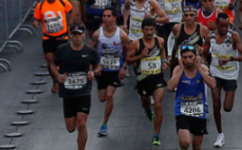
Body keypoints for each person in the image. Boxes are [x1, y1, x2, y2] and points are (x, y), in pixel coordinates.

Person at [202, 13, 242, 148]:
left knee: (227, 108)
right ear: (217, 25)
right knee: (216, 102)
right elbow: (204, 53)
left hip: (230, 75)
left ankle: (229, 96)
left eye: (226, 26)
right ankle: (220, 134)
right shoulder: (210, 37)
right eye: (222, 26)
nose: (224, 29)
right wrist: (203, 61)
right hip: (215, 73)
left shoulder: (233, 36)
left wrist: (231, 58)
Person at [55, 24, 101, 150]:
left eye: (79, 34)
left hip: (83, 92)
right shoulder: (62, 50)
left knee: (81, 123)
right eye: (74, 34)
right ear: (70, 35)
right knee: (71, 128)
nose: (77, 37)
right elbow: (53, 65)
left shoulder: (90, 51)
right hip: (68, 93)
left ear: (84, 35)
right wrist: (58, 76)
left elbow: (98, 66)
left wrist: (94, 73)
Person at [126, 18, 169, 146]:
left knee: (158, 104)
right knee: (146, 103)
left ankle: (157, 135)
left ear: (155, 29)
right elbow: (128, 60)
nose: (149, 32)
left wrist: (164, 61)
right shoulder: (136, 43)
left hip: (157, 77)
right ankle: (147, 109)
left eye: (151, 30)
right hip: (143, 79)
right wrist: (140, 56)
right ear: (142, 30)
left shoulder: (159, 41)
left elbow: (162, 50)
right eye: (146, 30)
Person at [167, 44, 217, 150]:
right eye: (184, 57)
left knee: (196, 145)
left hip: (199, 111)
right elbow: (170, 87)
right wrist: (181, 69)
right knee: (185, 142)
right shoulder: (178, 69)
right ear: (181, 59)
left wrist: (199, 69)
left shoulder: (203, 68)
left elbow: (213, 84)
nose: (188, 60)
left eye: (190, 57)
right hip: (182, 110)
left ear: (196, 57)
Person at [91, 8, 130, 137]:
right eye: (104, 16)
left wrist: (124, 67)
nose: (106, 18)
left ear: (114, 18)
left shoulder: (121, 35)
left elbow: (130, 51)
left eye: (108, 16)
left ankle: (104, 125)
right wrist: (92, 65)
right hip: (102, 70)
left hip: (115, 70)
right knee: (102, 98)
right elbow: (90, 49)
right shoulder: (97, 34)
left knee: (109, 95)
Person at [33, 0, 74, 93]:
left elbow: (71, 11)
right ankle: (55, 81)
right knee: (50, 62)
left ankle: (62, 80)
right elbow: (37, 18)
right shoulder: (41, 6)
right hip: (48, 38)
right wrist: (36, 23)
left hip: (62, 37)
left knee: (62, 62)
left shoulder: (63, 2)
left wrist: (70, 25)